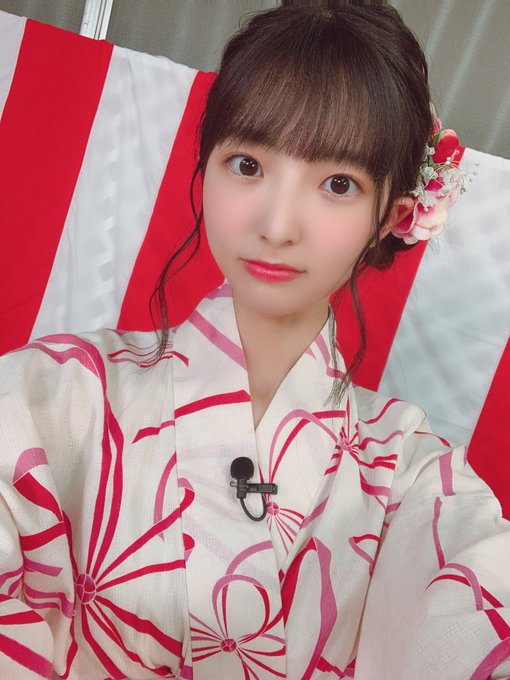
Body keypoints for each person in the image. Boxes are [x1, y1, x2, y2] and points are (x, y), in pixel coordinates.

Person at [0, 5, 508, 680]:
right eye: (246, 164)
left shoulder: (412, 477)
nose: (276, 224)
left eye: (337, 184)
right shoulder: (55, 393)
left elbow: (475, 604)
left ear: (392, 215)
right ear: (205, 166)